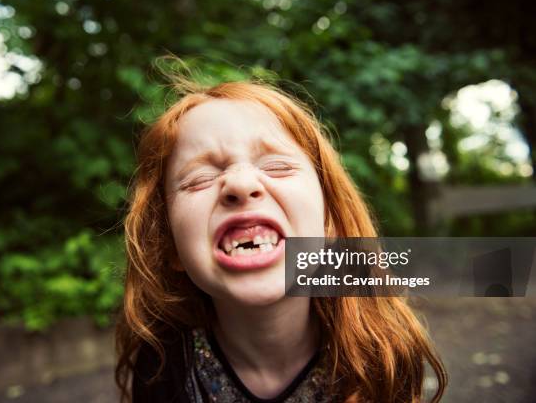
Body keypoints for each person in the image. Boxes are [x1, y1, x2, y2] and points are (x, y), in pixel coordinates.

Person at [115, 74, 447, 402]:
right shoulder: (162, 368)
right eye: (200, 178)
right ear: (169, 245)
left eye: (277, 167)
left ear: (328, 221)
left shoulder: (381, 353)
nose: (241, 184)